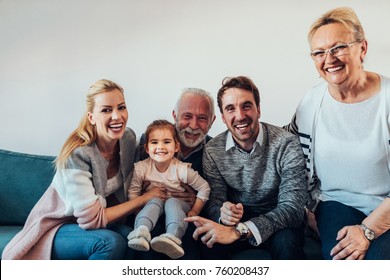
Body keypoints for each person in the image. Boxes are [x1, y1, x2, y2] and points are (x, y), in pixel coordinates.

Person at [1, 79, 166, 260]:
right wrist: (144, 199)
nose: (117, 116)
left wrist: (186, 190)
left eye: (121, 107)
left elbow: (159, 150)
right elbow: (92, 220)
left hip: (96, 225)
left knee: (135, 237)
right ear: (91, 117)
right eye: (106, 110)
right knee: (109, 242)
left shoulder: (127, 140)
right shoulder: (78, 155)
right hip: (58, 227)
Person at [285, 7, 390, 260]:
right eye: (319, 52)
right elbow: (285, 148)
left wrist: (367, 230)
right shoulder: (311, 102)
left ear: (362, 48)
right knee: (343, 259)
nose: (329, 59)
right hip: (335, 204)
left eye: (338, 47)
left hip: (386, 206)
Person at [185, 76, 307, 260]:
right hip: (235, 223)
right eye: (230, 109)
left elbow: (292, 208)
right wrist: (222, 214)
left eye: (247, 106)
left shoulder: (286, 143)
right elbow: (213, 202)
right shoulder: (213, 150)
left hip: (279, 222)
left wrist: (243, 230)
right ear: (224, 118)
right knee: (207, 242)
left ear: (258, 109)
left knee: (286, 243)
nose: (240, 115)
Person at [134, 88, 216, 260]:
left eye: (202, 118)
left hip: (186, 220)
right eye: (187, 116)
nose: (193, 126)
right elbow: (130, 185)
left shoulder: (215, 151)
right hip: (149, 213)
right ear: (175, 115)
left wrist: (195, 204)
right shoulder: (147, 142)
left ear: (212, 121)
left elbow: (215, 197)